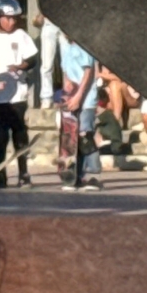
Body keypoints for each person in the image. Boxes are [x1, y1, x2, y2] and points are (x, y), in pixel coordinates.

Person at [0, 0, 39, 188]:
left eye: (14, 19)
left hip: (18, 94)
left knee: (20, 135)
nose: (11, 23)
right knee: (0, 138)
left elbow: (33, 59)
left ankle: (24, 173)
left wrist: (22, 65)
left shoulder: (21, 35)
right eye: (7, 18)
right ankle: (0, 175)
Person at [57, 34, 103, 191]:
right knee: (70, 139)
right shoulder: (67, 48)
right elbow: (66, 74)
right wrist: (67, 91)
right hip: (71, 99)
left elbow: (88, 74)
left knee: (84, 135)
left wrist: (79, 97)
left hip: (86, 99)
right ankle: (75, 177)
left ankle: (93, 175)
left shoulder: (84, 47)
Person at [34, 0, 67, 110]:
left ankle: (68, 93)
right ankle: (46, 97)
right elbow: (42, 9)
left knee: (67, 63)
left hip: (65, 25)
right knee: (46, 64)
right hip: (49, 24)